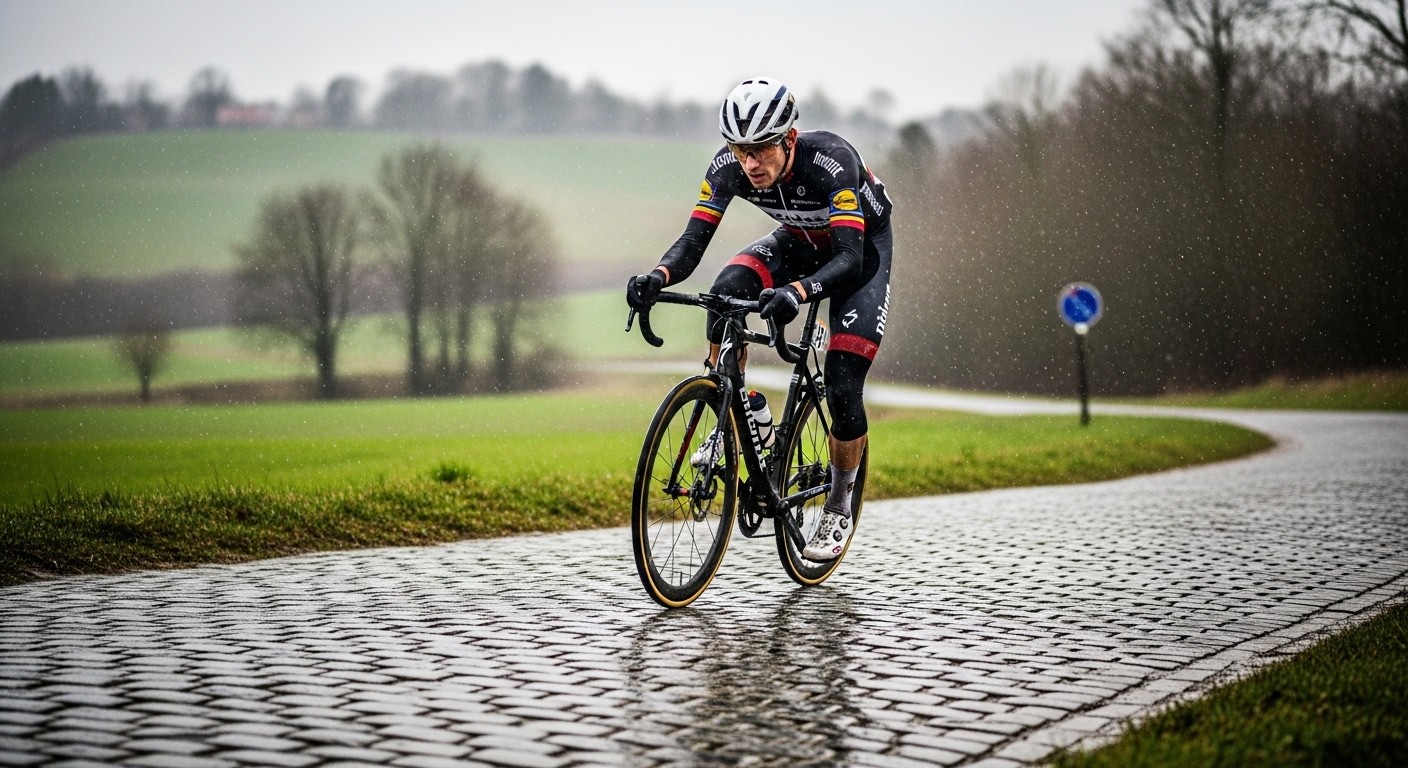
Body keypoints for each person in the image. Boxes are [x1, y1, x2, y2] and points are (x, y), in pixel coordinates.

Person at [626, 77, 895, 562]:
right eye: (740, 149)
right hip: (797, 237)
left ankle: (838, 503)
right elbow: (693, 243)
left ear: (789, 139)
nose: (750, 163)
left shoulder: (833, 162)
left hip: (858, 254)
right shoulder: (729, 168)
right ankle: (736, 407)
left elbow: (849, 259)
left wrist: (798, 291)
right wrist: (657, 276)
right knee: (726, 291)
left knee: (842, 378)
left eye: (762, 150)